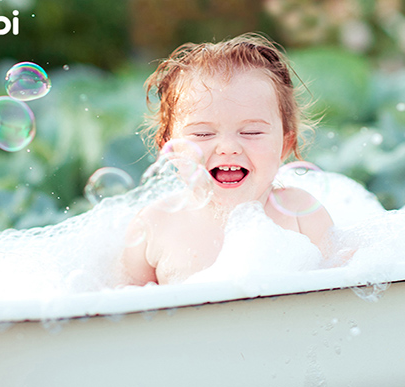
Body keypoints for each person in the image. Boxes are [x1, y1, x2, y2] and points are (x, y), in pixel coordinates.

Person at [122, 33, 334, 285]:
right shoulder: (153, 226)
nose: (228, 148)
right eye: (203, 133)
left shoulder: (302, 215)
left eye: (251, 132)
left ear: (285, 145)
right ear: (170, 149)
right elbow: (122, 308)